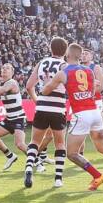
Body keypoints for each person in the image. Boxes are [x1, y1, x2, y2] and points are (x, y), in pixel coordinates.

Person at [43, 43, 103, 191]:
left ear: (67, 55)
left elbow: (45, 91)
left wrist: (49, 80)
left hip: (81, 114)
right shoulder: (89, 71)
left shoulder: (63, 72)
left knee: (71, 153)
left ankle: (97, 176)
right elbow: (94, 91)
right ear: (80, 56)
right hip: (95, 112)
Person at [24, 37, 68, 188]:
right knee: (60, 143)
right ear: (65, 51)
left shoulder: (42, 63)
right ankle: (58, 179)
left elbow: (29, 85)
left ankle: (29, 167)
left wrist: (38, 101)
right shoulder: (65, 66)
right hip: (58, 108)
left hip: (42, 106)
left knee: (35, 141)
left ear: (51, 48)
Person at [0, 63, 27, 171]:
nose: (4, 69)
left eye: (7, 68)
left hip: (18, 118)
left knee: (20, 144)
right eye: (3, 68)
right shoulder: (4, 84)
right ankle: (10, 156)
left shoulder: (12, 83)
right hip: (9, 119)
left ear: (12, 72)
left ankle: (37, 161)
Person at [79, 48, 103, 153]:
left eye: (86, 54)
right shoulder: (78, 68)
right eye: (82, 54)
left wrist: (87, 94)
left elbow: (101, 87)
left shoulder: (96, 67)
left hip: (95, 101)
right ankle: (80, 153)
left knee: (102, 128)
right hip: (82, 102)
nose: (84, 55)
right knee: (80, 128)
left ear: (91, 56)